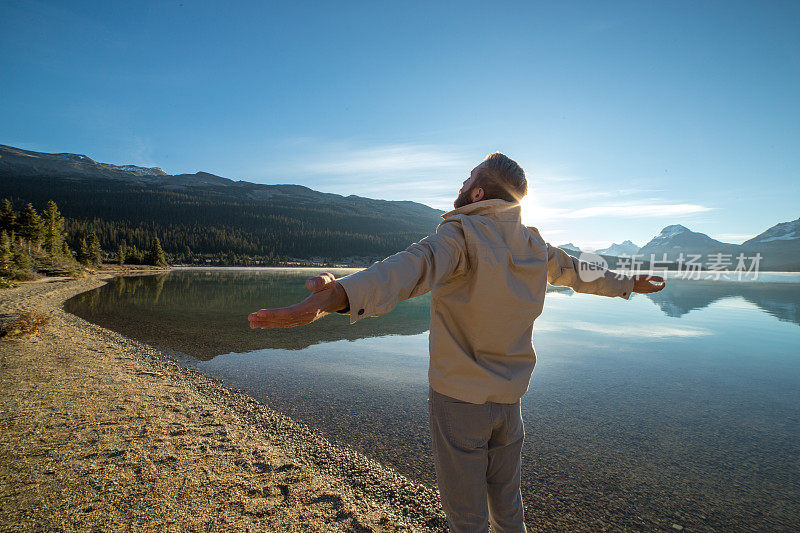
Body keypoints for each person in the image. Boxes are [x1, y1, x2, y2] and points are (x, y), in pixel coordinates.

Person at [248, 152, 665, 532]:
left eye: (467, 179)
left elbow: (407, 269)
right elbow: (579, 271)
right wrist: (630, 280)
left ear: (478, 192)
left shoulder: (460, 236)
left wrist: (336, 296)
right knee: (507, 506)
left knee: (466, 518)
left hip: (459, 400)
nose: (461, 185)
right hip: (510, 400)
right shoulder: (535, 244)